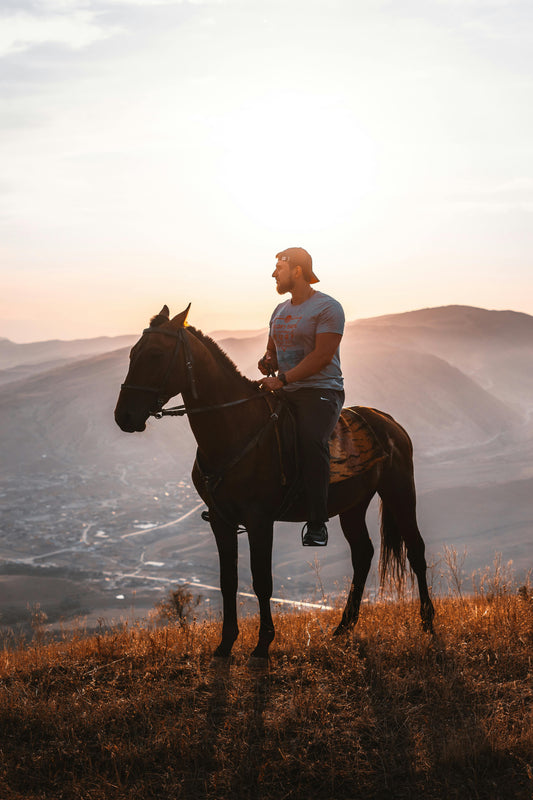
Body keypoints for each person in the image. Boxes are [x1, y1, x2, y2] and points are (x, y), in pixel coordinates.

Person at [259, 247, 345, 546]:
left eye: (278, 269)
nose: (273, 275)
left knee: (311, 439)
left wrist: (282, 379)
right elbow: (272, 349)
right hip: (286, 388)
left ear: (297, 271)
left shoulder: (327, 308)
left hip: (321, 390)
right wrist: (269, 360)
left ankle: (318, 522)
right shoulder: (279, 311)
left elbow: (322, 357)